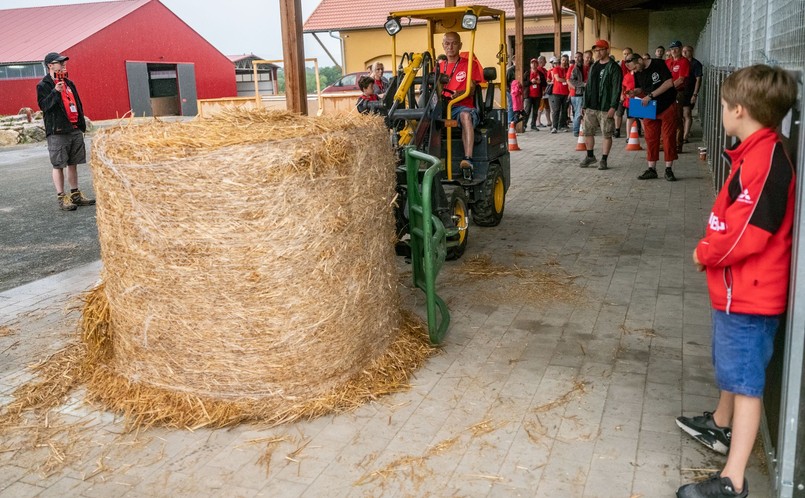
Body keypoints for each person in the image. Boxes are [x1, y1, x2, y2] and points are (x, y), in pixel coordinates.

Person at [676, 64, 797, 498]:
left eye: (725, 105)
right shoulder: (754, 151)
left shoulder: (765, 160)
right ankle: (721, 424)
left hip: (750, 294)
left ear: (740, 110)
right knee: (732, 367)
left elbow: (750, 233)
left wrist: (705, 252)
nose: (722, 111)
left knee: (746, 383)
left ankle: (734, 480)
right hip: (737, 291)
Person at [36, 52, 94, 211]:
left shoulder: (69, 82)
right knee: (58, 164)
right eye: (59, 62)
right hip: (58, 131)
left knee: (73, 163)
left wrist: (81, 124)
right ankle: (62, 198)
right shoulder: (44, 85)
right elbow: (44, 106)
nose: (63, 64)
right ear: (50, 65)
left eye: (64, 62)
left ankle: (75, 194)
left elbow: (77, 103)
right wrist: (55, 91)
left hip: (74, 128)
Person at [626, 54, 679, 181]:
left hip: (666, 105)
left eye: (636, 67)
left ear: (640, 60)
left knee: (668, 137)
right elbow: (641, 88)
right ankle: (651, 169)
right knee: (650, 138)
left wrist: (650, 95)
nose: (636, 71)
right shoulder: (638, 71)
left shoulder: (658, 64)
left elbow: (669, 83)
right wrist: (634, 92)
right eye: (633, 70)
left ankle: (668, 169)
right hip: (649, 108)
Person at [439, 31, 484, 173]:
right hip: (443, 107)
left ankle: (468, 159)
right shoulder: (438, 67)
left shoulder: (470, 65)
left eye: (454, 43)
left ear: (460, 45)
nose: (450, 47)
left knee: (465, 116)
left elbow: (471, 89)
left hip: (462, 106)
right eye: (447, 43)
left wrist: (459, 94)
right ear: (443, 46)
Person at [579, 40, 623, 171]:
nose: (598, 52)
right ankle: (590, 156)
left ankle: (604, 159)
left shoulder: (614, 67)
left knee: (606, 134)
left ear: (607, 50)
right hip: (591, 106)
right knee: (588, 132)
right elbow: (588, 87)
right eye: (596, 50)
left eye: (600, 50)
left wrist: (613, 106)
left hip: (605, 107)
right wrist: (584, 104)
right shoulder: (594, 66)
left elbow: (617, 88)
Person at [666, 40, 691, 152]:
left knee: (677, 118)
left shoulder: (684, 62)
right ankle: (666, 143)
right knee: (666, 118)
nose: (674, 51)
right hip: (667, 92)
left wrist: (668, 88)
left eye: (676, 48)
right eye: (672, 49)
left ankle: (677, 145)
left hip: (678, 92)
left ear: (680, 49)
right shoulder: (667, 62)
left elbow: (681, 79)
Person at [682, 45, 703, 143]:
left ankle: (685, 136)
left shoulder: (695, 64)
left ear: (692, 52)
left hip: (689, 92)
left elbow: (698, 79)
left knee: (687, 113)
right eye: (683, 51)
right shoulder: (681, 63)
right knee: (680, 114)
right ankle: (682, 132)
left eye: (687, 51)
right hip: (679, 92)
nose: (685, 53)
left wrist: (695, 94)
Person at [568, 50, 591, 137]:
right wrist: (582, 84)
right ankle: (576, 131)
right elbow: (570, 80)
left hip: (587, 93)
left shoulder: (591, 67)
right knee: (578, 113)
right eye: (586, 57)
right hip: (578, 94)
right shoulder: (576, 68)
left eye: (589, 57)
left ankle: (584, 129)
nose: (588, 59)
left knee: (586, 113)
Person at [614, 47, 634, 138]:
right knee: (619, 113)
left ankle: (632, 133)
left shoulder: (634, 64)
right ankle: (617, 130)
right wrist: (621, 93)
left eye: (628, 53)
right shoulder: (619, 64)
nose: (626, 55)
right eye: (625, 54)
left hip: (632, 93)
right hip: (621, 92)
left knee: (632, 115)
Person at [548, 54, 570, 133]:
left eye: (566, 60)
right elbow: (558, 79)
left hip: (566, 93)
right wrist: (567, 80)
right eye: (563, 60)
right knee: (556, 110)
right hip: (556, 92)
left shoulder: (568, 69)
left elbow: (570, 78)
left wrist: (567, 80)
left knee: (564, 110)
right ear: (561, 60)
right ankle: (554, 126)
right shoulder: (556, 69)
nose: (565, 61)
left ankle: (562, 125)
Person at [522, 58, 543, 131]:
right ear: (530, 65)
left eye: (535, 63)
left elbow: (545, 83)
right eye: (532, 63)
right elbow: (523, 83)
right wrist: (531, 82)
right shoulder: (527, 73)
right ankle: (524, 125)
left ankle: (533, 125)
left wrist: (540, 82)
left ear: (537, 64)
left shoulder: (540, 73)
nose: (534, 65)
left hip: (537, 95)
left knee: (535, 111)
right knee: (527, 111)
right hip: (528, 95)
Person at [536, 56, 552, 128]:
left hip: (546, 90)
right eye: (545, 61)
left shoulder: (545, 70)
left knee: (547, 106)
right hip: (541, 91)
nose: (546, 62)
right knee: (541, 106)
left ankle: (549, 121)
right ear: (541, 61)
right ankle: (538, 121)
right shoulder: (538, 70)